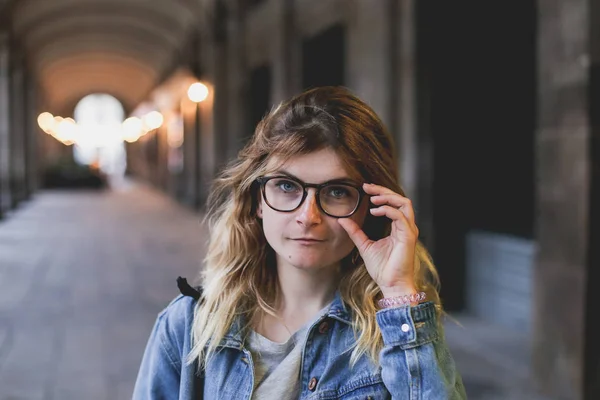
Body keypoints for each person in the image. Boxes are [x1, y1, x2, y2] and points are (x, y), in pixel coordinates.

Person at [132, 86, 467, 399]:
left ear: (371, 208)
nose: (308, 216)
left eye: (337, 192)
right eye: (287, 186)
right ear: (258, 199)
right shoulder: (189, 325)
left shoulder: (394, 329)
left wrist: (398, 291)